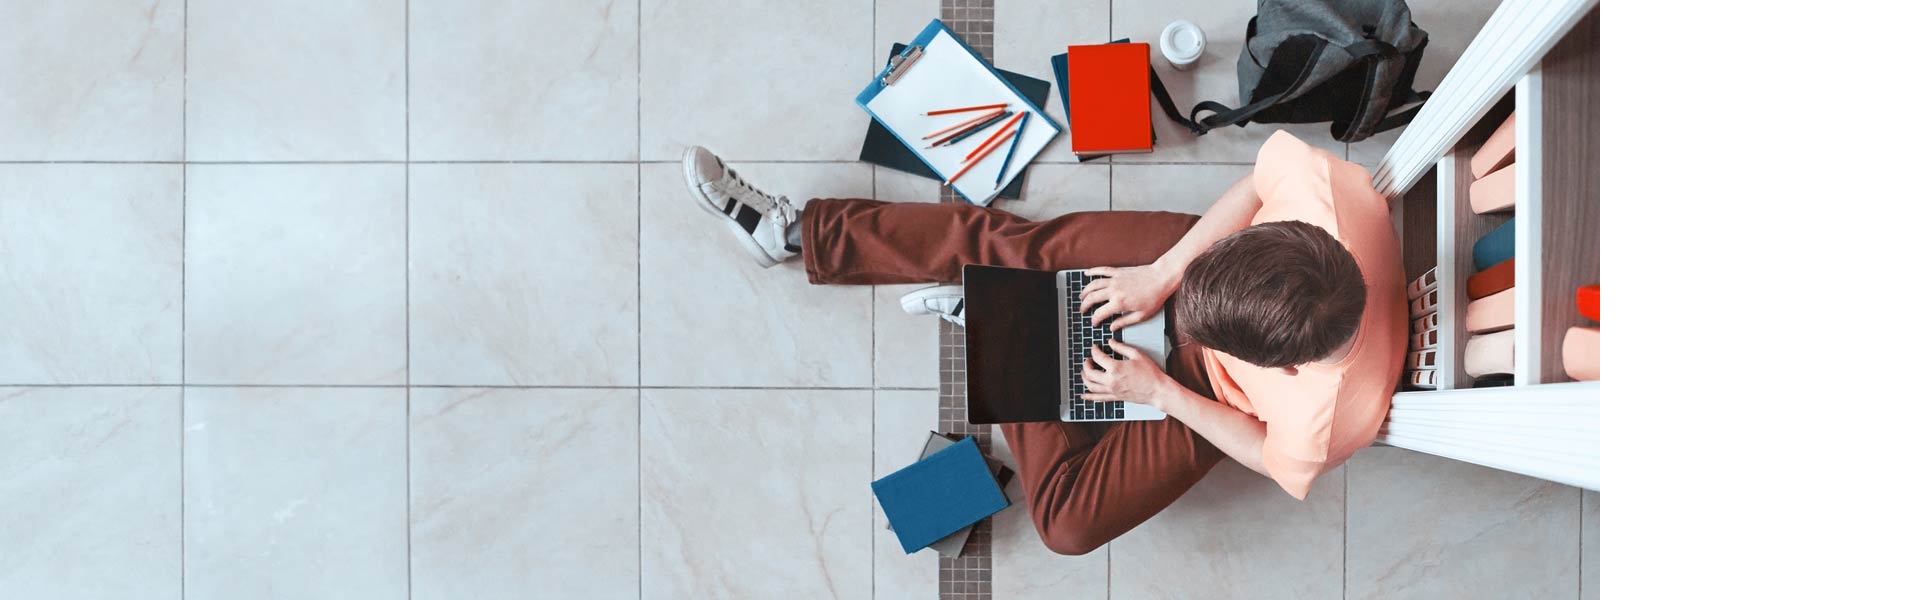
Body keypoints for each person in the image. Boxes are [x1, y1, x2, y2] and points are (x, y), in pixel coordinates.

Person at [680, 130, 1406, 556]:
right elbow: (1252, 190)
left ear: (1280, 367)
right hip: (1194, 269)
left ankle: (996, 323)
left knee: (1065, 522)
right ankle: (795, 233)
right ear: (1295, 236)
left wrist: (1161, 390)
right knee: (1009, 249)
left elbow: (1255, 445)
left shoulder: (1327, 422)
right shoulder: (1327, 192)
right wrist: (1164, 274)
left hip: (1210, 397)